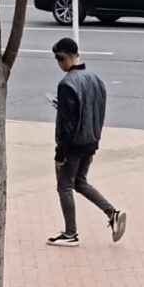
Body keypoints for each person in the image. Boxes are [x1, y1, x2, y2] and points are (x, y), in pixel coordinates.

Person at [48, 37, 124, 247]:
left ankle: (70, 233)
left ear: (62, 57)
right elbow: (96, 110)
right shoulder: (96, 80)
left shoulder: (67, 84)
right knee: (80, 182)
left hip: (73, 145)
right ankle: (112, 212)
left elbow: (67, 124)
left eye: (58, 60)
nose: (59, 64)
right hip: (91, 140)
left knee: (64, 185)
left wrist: (59, 153)